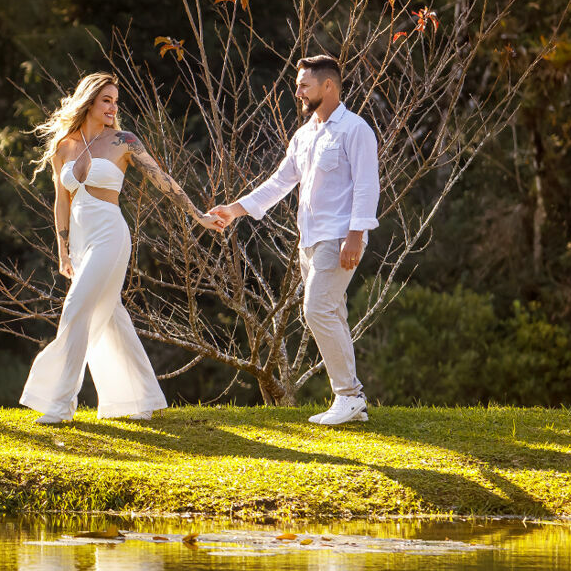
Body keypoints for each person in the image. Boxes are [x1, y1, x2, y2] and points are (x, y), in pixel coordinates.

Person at [20, 73, 223, 425]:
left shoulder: (124, 141)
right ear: (89, 102)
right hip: (80, 241)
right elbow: (61, 201)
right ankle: (138, 399)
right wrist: (63, 250)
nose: (113, 107)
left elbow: (163, 180)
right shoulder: (64, 146)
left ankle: (59, 403)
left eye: (116, 101)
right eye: (106, 100)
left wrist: (198, 215)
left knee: (76, 307)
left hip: (110, 236)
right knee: (110, 315)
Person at [209, 55, 381, 426]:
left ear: (328, 86)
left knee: (316, 309)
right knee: (331, 312)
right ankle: (352, 402)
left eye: (304, 85)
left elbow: (368, 185)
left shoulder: (356, 129)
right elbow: (279, 182)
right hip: (310, 241)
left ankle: (349, 396)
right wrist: (234, 210)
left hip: (340, 237)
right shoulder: (304, 136)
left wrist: (355, 235)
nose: (298, 92)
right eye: (298, 85)